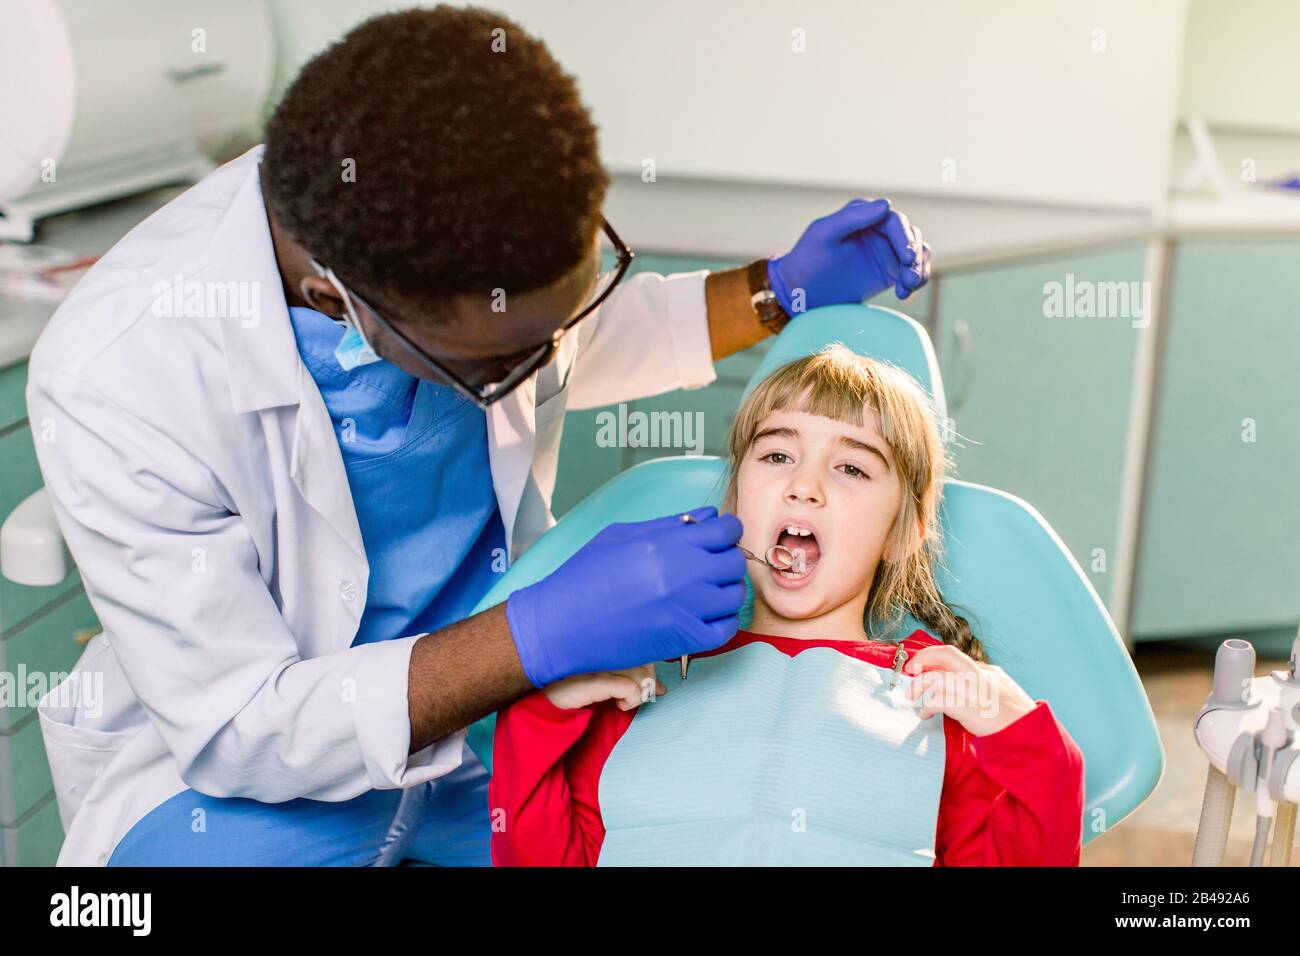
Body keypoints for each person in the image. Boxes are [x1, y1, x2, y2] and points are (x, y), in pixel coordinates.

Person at [29, 7, 930, 866]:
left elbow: (574, 334)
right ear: (334, 304)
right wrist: (540, 634)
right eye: (508, 361)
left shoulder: (464, 221)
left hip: (497, 739)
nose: (555, 356)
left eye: (568, 312)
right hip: (242, 792)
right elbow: (245, 730)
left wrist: (775, 290)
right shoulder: (120, 366)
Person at [490, 345, 1085, 866]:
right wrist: (542, 718)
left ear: (905, 532)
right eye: (777, 456)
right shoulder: (641, 670)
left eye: (851, 467)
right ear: (735, 498)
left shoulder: (941, 700)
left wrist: (1032, 741)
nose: (804, 485)